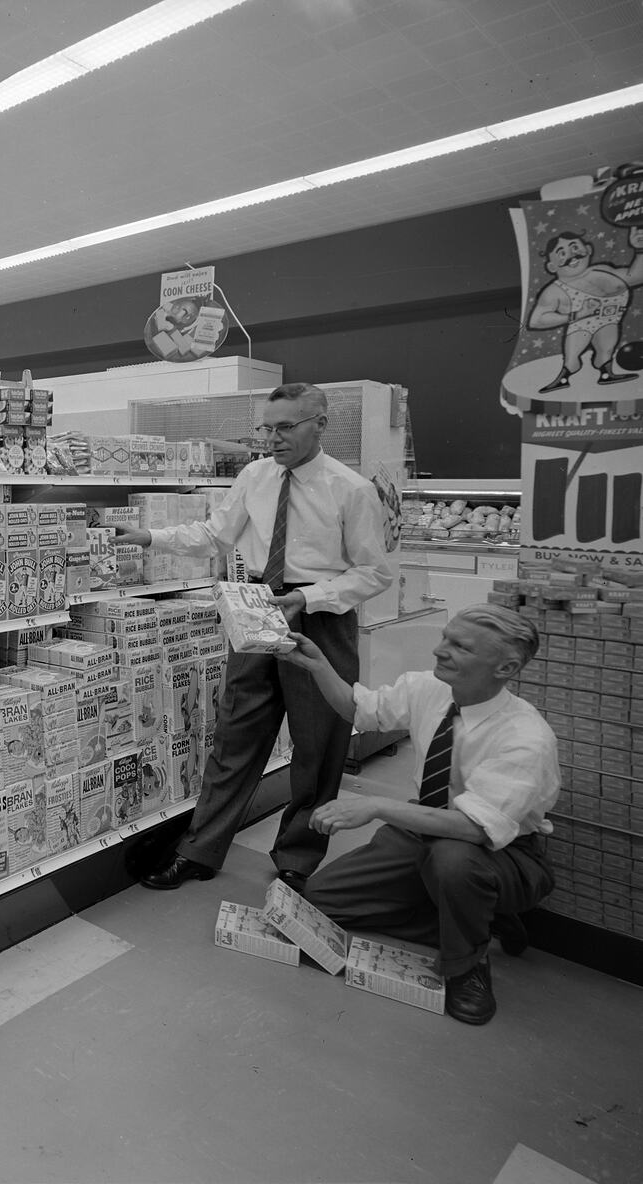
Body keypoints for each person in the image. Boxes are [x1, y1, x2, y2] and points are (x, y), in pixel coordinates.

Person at [119, 382, 394, 891]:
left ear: (320, 424)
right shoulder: (255, 476)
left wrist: (308, 599)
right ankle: (200, 851)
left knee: (319, 743)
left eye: (285, 427)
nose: (273, 438)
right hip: (257, 608)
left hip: (320, 616)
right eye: (266, 428)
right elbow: (214, 535)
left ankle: (297, 858)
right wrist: (150, 536)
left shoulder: (350, 489)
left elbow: (374, 573)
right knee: (235, 732)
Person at [280, 605, 557, 1025]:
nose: (438, 650)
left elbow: (474, 828)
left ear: (506, 667)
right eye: (445, 637)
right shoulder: (429, 688)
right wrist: (318, 665)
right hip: (423, 827)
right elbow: (360, 709)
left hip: (502, 854)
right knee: (320, 902)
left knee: (453, 860)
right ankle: (478, 921)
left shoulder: (526, 737)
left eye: (459, 646)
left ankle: (466, 965)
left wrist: (375, 806)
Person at [526, 227, 643, 392]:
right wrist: (578, 314)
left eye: (575, 247)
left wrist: (640, 249)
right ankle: (563, 379)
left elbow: (636, 276)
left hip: (610, 320)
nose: (572, 255)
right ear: (552, 266)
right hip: (581, 325)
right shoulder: (555, 290)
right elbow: (536, 321)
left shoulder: (604, 269)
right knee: (573, 357)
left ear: (588, 250)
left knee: (606, 349)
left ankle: (606, 374)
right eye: (561, 253)